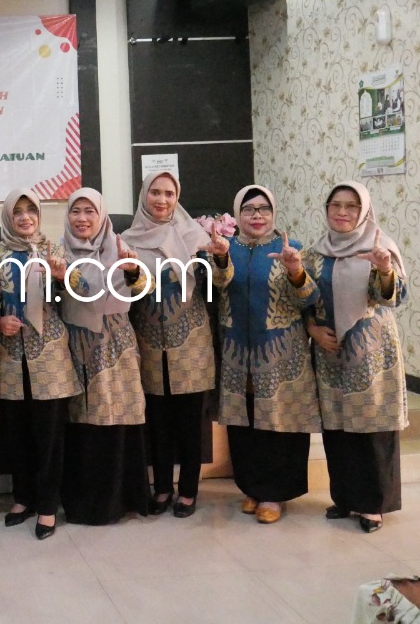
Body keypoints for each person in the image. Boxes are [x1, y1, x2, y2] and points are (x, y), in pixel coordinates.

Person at [280, 181, 408, 533]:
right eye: (335, 204)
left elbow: (393, 297)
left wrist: (384, 270)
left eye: (351, 206)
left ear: (363, 211)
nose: (342, 212)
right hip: (330, 351)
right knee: (337, 427)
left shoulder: (380, 247)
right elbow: (305, 299)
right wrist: (311, 326)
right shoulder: (316, 252)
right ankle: (346, 497)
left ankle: (373, 504)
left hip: (372, 353)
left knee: (372, 426)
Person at [210, 185, 319, 524]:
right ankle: (252, 488)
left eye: (264, 209)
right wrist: (221, 257)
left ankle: (275, 493)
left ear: (273, 213)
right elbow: (217, 285)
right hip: (237, 353)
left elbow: (309, 298)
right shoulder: (225, 247)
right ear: (237, 214)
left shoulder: (291, 248)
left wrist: (295, 270)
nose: (257, 215)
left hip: (281, 354)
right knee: (245, 423)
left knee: (279, 423)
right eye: (248, 209)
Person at [120, 171, 219, 518]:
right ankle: (162, 487)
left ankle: (188, 490)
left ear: (177, 197)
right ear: (143, 195)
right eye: (155, 192)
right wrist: (130, 271)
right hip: (148, 343)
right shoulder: (127, 240)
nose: (162, 200)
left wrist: (219, 258)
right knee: (157, 424)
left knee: (190, 425)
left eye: (169, 193)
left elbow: (218, 284)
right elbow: (124, 292)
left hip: (191, 345)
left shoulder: (197, 237)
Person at [0, 188, 80, 540]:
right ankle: (23, 497)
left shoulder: (56, 251)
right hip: (8, 355)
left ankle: (47, 505)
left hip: (49, 355)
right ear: (8, 217)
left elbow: (76, 296)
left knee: (49, 435)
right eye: (18, 211)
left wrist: (60, 277)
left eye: (31, 210)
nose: (25, 217)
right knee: (16, 434)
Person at [57, 187, 151, 525]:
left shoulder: (120, 246)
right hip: (76, 344)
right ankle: (84, 503)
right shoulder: (57, 251)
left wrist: (132, 270)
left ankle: (120, 500)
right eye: (76, 211)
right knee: (81, 422)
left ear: (102, 216)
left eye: (90, 211)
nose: (82, 218)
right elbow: (63, 294)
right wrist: (62, 277)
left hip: (116, 344)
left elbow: (143, 289)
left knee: (117, 418)